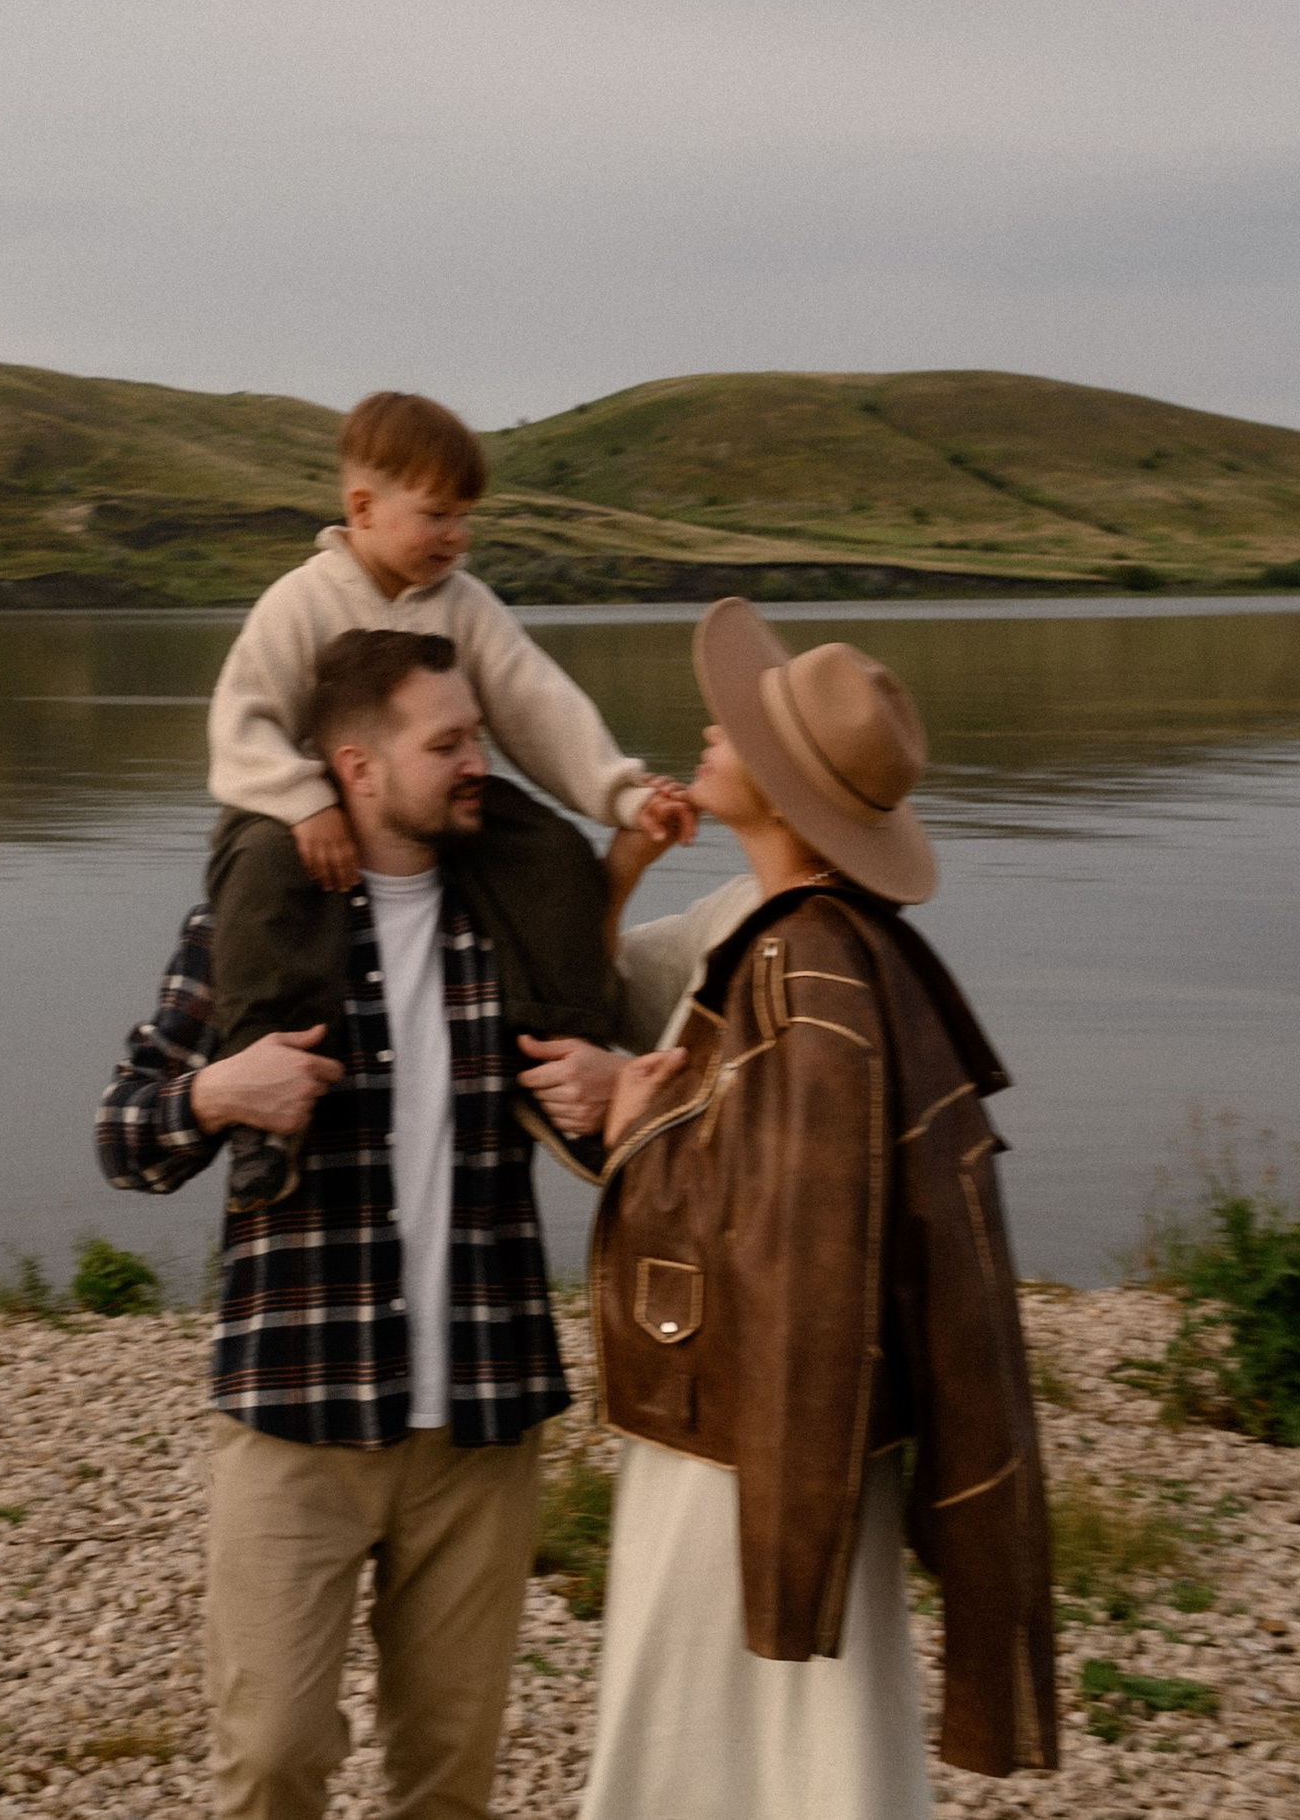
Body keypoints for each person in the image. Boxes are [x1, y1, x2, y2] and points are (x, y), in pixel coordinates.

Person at [526, 600, 1059, 1816]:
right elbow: (779, 1167)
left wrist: (631, 1121)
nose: (710, 724)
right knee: (795, 1730)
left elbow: (788, 1225)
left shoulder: (804, 961)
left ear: (783, 786)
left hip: (747, 1424)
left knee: (719, 1725)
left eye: (740, 726)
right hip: (783, 1414)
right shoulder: (805, 936)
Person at [97, 628, 571, 1820]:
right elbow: (122, 1132)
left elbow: (621, 1101)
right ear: (355, 765)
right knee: (270, 1756)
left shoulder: (507, 925)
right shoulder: (253, 925)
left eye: (479, 735)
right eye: (447, 742)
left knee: (450, 1778)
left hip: (481, 1420)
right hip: (295, 1412)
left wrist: (623, 1080)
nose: (479, 762)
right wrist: (215, 1092)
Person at [205, 388, 691, 1200]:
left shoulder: (463, 603)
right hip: (301, 809)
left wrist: (620, 792)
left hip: (427, 799)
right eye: (436, 516)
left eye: (466, 518)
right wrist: (301, 800)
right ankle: (263, 1114)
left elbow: (537, 705)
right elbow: (240, 724)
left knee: (552, 853)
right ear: (362, 506)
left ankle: (560, 1065)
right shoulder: (302, 601)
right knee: (256, 875)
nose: (456, 537)